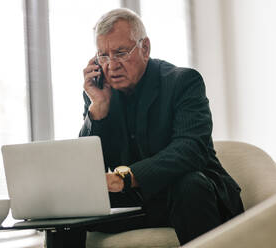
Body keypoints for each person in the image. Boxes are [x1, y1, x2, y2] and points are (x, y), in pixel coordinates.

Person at [79, 8, 244, 246]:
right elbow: (86, 170)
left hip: (190, 195)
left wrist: (127, 177)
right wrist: (98, 108)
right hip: (136, 204)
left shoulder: (183, 82)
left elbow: (190, 150)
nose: (111, 65)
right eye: (103, 56)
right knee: (68, 208)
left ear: (145, 48)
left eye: (121, 53)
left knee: (188, 185)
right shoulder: (99, 95)